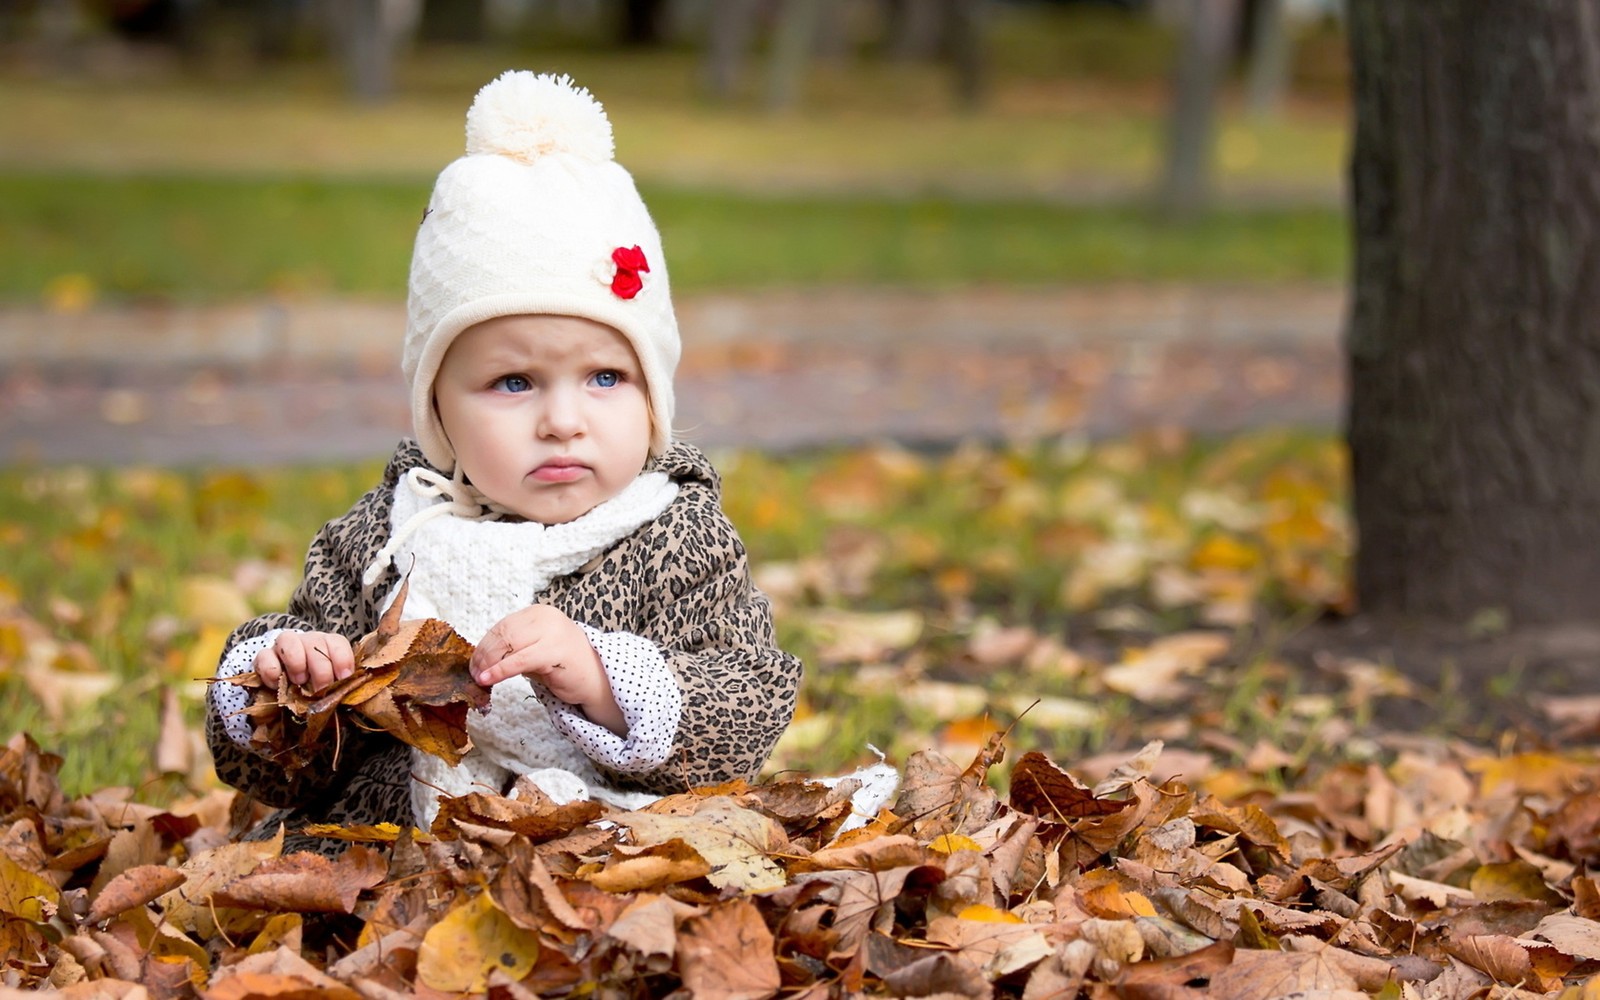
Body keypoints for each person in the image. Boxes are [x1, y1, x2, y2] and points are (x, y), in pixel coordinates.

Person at [206, 71, 803, 852]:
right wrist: (292, 685)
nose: (563, 421)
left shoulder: (673, 535)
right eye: (513, 383)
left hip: (605, 841)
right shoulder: (389, 537)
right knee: (314, 865)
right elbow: (278, 774)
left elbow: (746, 702)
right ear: (440, 413)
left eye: (605, 377)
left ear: (654, 398)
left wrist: (604, 680)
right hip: (394, 847)